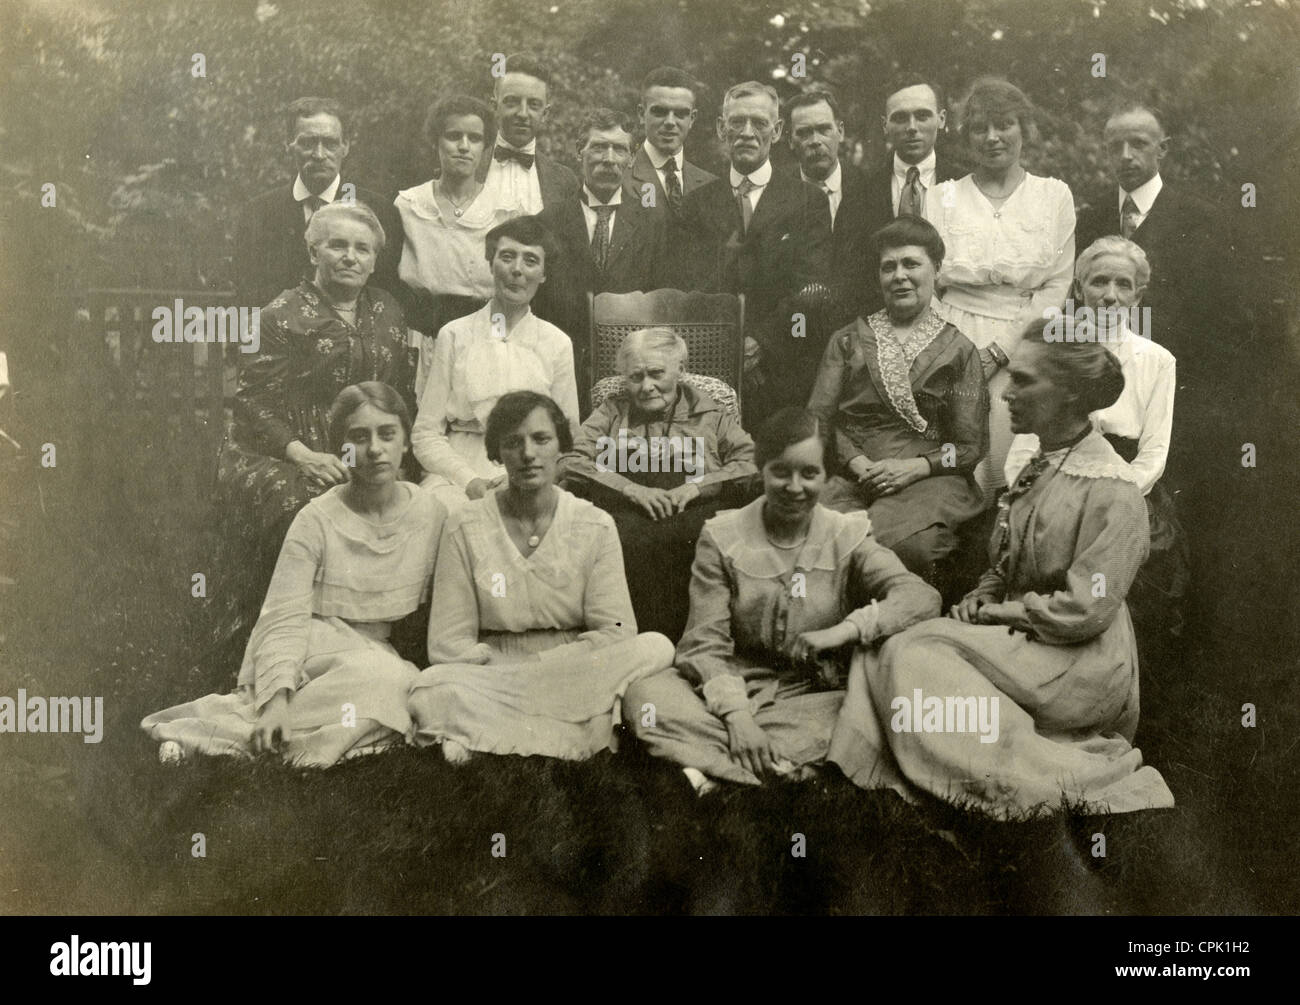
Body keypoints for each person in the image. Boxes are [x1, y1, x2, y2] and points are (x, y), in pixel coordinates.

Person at [827, 328, 1175, 817]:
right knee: (884, 646)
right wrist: (981, 595)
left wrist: (993, 613)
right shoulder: (1042, 465)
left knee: (910, 653)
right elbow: (1006, 560)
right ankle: (909, 767)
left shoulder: (1113, 491)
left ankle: (1008, 781)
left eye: (1024, 382)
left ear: (1071, 394)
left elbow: (1084, 611)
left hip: (1077, 660)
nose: (1007, 393)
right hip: (1021, 634)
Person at [623, 409, 940, 793]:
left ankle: (711, 772)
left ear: (827, 477)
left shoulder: (847, 534)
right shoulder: (723, 536)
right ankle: (771, 769)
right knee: (648, 699)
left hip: (812, 695)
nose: (794, 487)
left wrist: (847, 629)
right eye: (780, 472)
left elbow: (920, 596)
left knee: (856, 714)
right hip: (731, 683)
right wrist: (737, 715)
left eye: (809, 473)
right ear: (761, 470)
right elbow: (703, 643)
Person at [144, 382, 445, 767]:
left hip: (371, 650)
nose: (374, 449)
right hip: (309, 643)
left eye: (387, 434)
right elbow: (283, 616)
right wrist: (276, 700)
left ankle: (246, 742)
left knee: (399, 684)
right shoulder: (316, 520)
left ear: (406, 441)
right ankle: (268, 734)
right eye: (358, 437)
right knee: (390, 685)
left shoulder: (431, 514)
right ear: (342, 449)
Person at [408, 391, 675, 762]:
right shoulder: (463, 525)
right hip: (496, 670)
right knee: (431, 688)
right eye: (513, 442)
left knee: (656, 646)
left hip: (575, 667)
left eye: (541, 439)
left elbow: (616, 630)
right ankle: (574, 730)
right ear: (496, 453)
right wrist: (506, 670)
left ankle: (488, 735)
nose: (528, 454)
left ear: (560, 448)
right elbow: (448, 642)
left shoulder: (594, 524)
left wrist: (547, 667)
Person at [217, 202, 416, 644]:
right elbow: (253, 403)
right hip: (284, 447)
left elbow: (400, 393)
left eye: (362, 249)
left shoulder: (387, 310)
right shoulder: (278, 315)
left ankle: (378, 628)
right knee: (306, 506)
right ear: (313, 252)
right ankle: (293, 632)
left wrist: (397, 450)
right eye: (337, 245)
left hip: (365, 439)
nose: (350, 256)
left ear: (374, 260)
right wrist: (303, 455)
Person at [1005, 237, 1185, 636]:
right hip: (1051, 479)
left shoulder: (1157, 360)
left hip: (1123, 488)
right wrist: (1028, 496)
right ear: (1078, 288)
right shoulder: (1053, 349)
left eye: (1123, 285)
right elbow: (1023, 446)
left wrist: (1107, 501)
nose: (1110, 296)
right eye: (1099, 282)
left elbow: (1154, 454)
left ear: (1138, 296)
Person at [808, 216, 988, 591]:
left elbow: (970, 447)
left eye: (911, 264)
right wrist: (857, 463)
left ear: (936, 270)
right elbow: (818, 421)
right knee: (812, 536)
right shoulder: (847, 341)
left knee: (904, 547)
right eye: (888, 267)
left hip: (928, 481)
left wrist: (916, 468)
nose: (899, 276)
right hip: (855, 474)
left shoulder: (960, 351)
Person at [928, 78, 1075, 501]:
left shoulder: (1053, 196)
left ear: (1023, 128)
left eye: (1005, 124)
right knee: (953, 458)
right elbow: (928, 286)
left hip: (1023, 340)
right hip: (949, 338)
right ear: (967, 136)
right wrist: (948, 351)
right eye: (979, 128)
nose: (992, 137)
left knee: (1012, 460)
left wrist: (999, 352)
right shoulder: (943, 198)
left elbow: (1057, 285)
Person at [562, 327, 757, 640]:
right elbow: (572, 460)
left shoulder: (712, 412)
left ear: (680, 370)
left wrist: (698, 486)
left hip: (694, 512)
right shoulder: (611, 411)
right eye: (635, 377)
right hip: (628, 512)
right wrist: (631, 489)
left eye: (656, 373)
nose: (646, 387)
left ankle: (695, 641)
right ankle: (631, 642)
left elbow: (749, 463)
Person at [676, 80, 832, 422]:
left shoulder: (809, 201)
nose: (747, 132)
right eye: (737, 122)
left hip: (783, 368)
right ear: (721, 128)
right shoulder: (696, 205)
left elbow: (813, 289)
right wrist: (728, 347)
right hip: (709, 367)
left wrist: (761, 342)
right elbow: (689, 286)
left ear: (776, 132)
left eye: (759, 123)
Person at [410, 215, 578, 509]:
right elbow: (426, 433)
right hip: (458, 470)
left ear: (543, 274)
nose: (516, 270)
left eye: (530, 261)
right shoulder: (454, 334)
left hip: (531, 467)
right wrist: (469, 481)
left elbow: (567, 437)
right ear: (491, 264)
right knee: (440, 512)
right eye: (507, 257)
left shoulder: (557, 343)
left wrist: (526, 475)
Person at [534, 107, 671, 396]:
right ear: (579, 151)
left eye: (619, 149)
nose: (609, 158)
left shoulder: (653, 224)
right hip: (560, 372)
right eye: (598, 147)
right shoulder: (548, 222)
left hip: (632, 378)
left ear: (631, 158)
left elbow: (661, 306)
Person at [394, 95, 513, 399]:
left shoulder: (504, 211)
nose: (463, 146)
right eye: (453, 136)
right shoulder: (409, 205)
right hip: (418, 341)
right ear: (437, 142)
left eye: (474, 138)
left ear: (485, 148)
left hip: (483, 338)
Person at [235, 97, 403, 309]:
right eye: (308, 143)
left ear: (346, 146)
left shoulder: (379, 211)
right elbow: (249, 293)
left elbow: (384, 291)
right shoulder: (258, 213)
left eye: (330, 143)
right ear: (288, 145)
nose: (319, 154)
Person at [860, 75, 964, 316]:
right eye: (900, 118)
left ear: (942, 119)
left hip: (954, 319)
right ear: (885, 125)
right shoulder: (862, 189)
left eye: (922, 115)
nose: (912, 127)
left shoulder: (964, 183)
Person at [785, 88, 874, 334]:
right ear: (790, 140)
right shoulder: (776, 194)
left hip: (856, 329)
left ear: (841, 131)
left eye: (824, 129)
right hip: (794, 330)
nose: (815, 141)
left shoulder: (869, 189)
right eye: (804, 133)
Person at [480, 53, 579, 215]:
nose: (523, 114)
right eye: (512, 102)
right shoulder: (468, 169)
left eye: (533, 104)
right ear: (494, 107)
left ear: (545, 114)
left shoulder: (564, 182)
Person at [623, 66, 717, 218]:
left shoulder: (710, 186)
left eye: (680, 113)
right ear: (641, 114)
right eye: (659, 112)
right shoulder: (619, 179)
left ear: (692, 119)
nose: (670, 122)